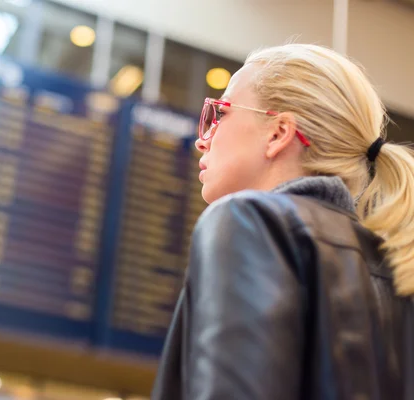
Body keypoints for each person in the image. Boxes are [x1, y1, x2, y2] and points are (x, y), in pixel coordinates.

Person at [151, 43, 414, 400]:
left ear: (278, 133)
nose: (202, 140)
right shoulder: (401, 268)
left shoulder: (251, 221)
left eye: (221, 113)